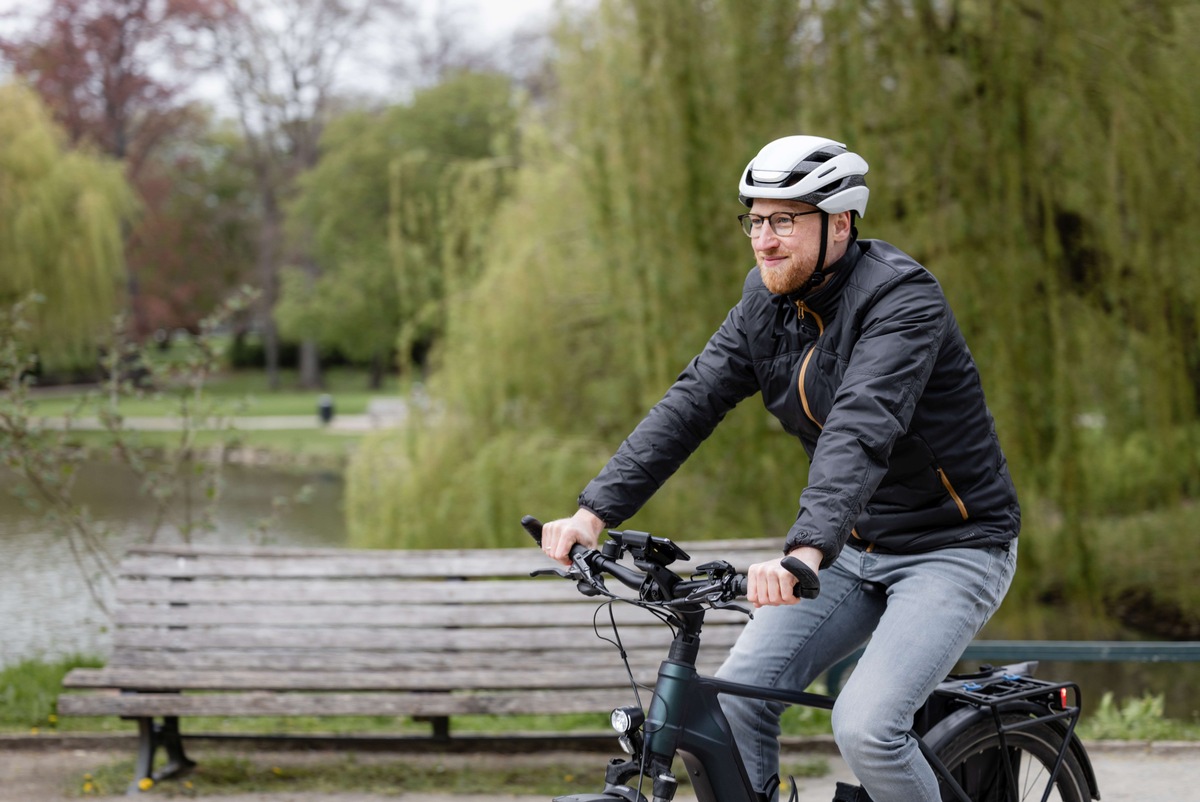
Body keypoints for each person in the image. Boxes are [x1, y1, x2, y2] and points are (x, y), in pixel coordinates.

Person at [538, 135, 1020, 802]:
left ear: (840, 224)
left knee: (867, 727)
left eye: (785, 220)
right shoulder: (765, 303)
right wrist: (594, 512)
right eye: (756, 220)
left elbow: (861, 426)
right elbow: (692, 401)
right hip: (853, 546)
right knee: (737, 703)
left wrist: (803, 552)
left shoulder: (903, 301)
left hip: (953, 547)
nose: (764, 240)